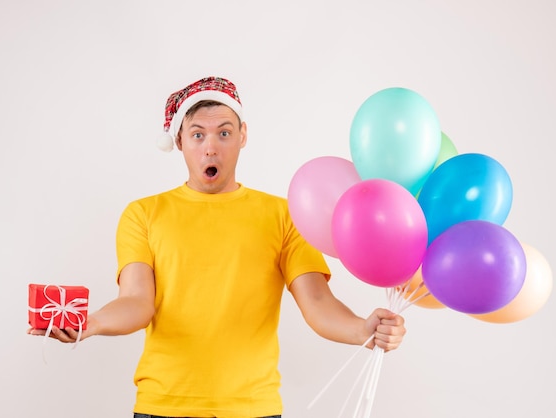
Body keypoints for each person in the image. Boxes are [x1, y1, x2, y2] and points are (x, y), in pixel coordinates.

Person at [28, 76, 406, 418]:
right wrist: (91, 323)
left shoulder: (284, 215)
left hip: (252, 409)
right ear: (179, 141)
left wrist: (363, 330)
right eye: (197, 135)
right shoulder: (143, 214)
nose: (211, 148)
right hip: (163, 407)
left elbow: (318, 303)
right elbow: (137, 302)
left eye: (224, 134)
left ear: (243, 135)